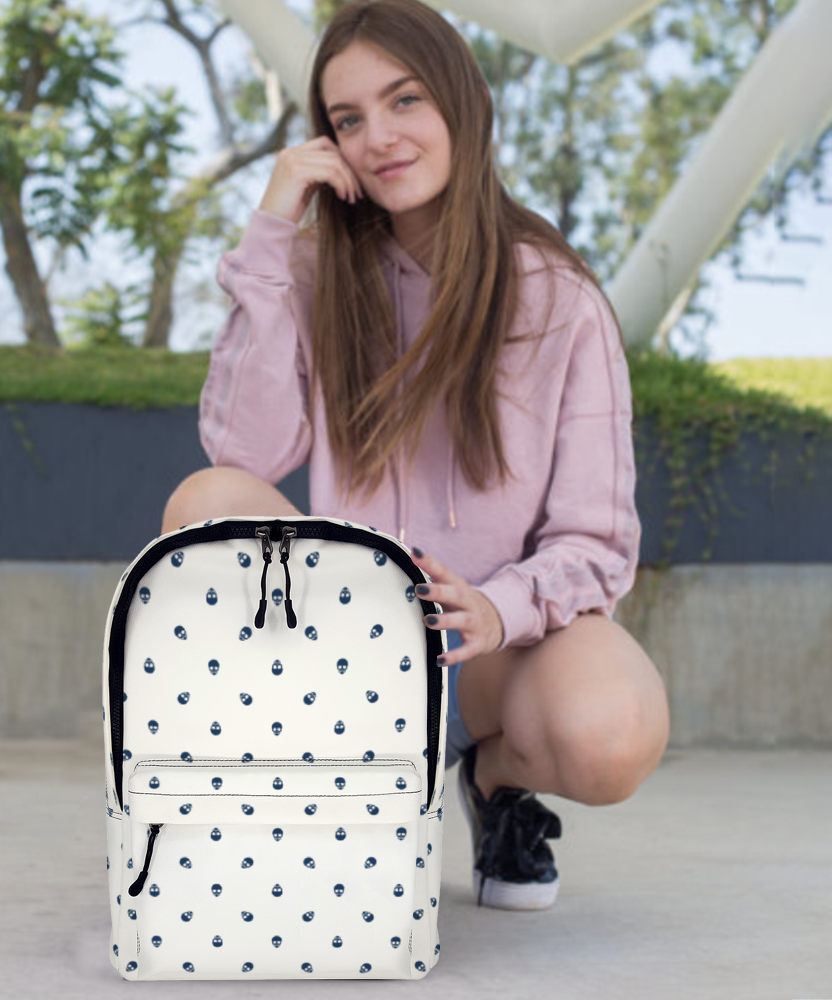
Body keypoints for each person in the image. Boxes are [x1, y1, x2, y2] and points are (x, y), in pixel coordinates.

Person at [162, 0, 670, 912]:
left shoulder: (558, 297)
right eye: (347, 120)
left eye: (404, 101)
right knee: (207, 498)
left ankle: (491, 783)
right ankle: (334, 789)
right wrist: (274, 228)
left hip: (491, 649)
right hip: (342, 639)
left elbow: (597, 542)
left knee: (611, 732)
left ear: (463, 103)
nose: (378, 138)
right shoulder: (313, 274)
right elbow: (244, 449)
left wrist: (497, 606)